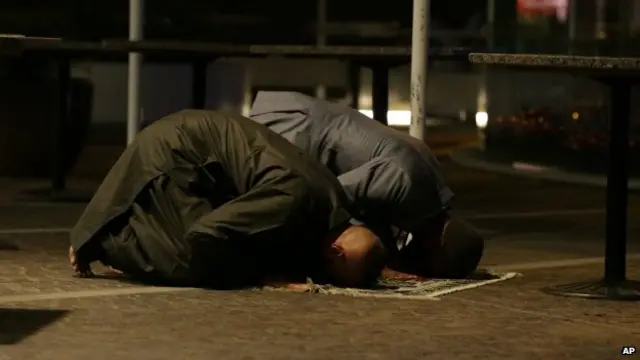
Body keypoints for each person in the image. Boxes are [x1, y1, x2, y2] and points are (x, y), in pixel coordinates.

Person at [68, 109, 387, 289]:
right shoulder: (295, 198)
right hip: (175, 154)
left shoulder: (332, 201)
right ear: (336, 251)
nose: (327, 279)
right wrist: (265, 279)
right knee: (190, 263)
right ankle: (105, 240)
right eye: (334, 276)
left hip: (197, 153)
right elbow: (207, 234)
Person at [250, 91, 484, 279]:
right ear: (436, 246)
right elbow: (328, 195)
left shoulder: (428, 188)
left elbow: (373, 204)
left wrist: (386, 256)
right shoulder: (406, 180)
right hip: (290, 129)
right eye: (430, 265)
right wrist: (375, 265)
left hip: (302, 124)